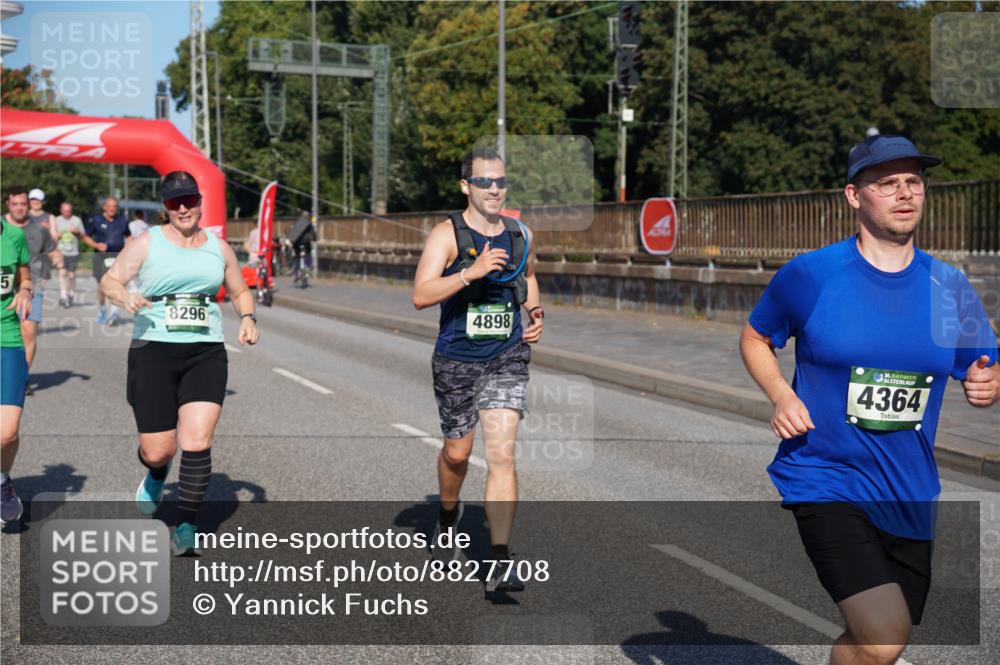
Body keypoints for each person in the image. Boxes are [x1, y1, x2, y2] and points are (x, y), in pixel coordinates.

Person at [740, 135, 999, 665]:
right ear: (855, 196)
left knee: (873, 643)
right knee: (883, 634)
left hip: (907, 488)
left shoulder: (949, 287)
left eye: (913, 183)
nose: (904, 194)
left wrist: (987, 384)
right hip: (825, 478)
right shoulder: (811, 275)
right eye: (887, 184)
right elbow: (755, 336)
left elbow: (984, 366)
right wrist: (780, 394)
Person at [101, 171, 260, 555]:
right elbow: (110, 281)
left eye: (189, 199)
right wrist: (124, 298)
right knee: (159, 450)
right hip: (153, 350)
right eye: (175, 202)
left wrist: (248, 317)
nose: (183, 207)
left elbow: (239, 290)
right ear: (165, 207)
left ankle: (186, 524)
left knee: (198, 440)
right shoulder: (145, 243)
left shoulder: (218, 249)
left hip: (205, 352)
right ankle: (156, 474)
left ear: (199, 202)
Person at [412, 147, 544, 592]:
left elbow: (527, 275)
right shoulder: (446, 234)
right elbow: (421, 294)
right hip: (455, 360)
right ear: (465, 185)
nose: (494, 189)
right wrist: (472, 272)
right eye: (485, 182)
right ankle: (448, 515)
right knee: (458, 454)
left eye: (500, 182)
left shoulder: (519, 233)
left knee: (502, 454)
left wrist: (535, 310)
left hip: (505, 356)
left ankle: (500, 560)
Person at [1, 186, 35, 526]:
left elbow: (25, 275)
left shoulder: (13, 236)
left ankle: (1, 481)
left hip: (6, 335)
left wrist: (25, 289)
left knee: (7, 432)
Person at [9, 189, 62, 391]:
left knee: (28, 331)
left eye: (24, 203)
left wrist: (57, 258)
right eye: (16, 204)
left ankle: (22, 376)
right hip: (4, 286)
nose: (20, 207)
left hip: (33, 283)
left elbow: (51, 248)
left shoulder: (39, 228)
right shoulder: (2, 226)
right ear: (9, 204)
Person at [83, 196, 130, 326]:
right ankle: (103, 309)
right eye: (109, 206)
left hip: (118, 258)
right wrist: (96, 245)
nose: (112, 209)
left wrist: (129, 247)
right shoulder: (96, 220)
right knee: (102, 287)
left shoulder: (123, 221)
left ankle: (114, 314)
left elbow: (129, 236)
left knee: (118, 285)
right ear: (104, 207)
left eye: (114, 206)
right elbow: (85, 236)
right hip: (100, 258)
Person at [53, 201, 85, 308]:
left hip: (73, 252)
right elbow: (52, 236)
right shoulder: (56, 220)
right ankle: (63, 296)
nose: (67, 213)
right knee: (62, 274)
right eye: (65, 211)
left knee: (71, 275)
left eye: (69, 211)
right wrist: (58, 234)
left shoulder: (77, 220)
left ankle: (71, 293)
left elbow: (83, 235)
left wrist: (77, 231)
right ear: (61, 210)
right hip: (61, 253)